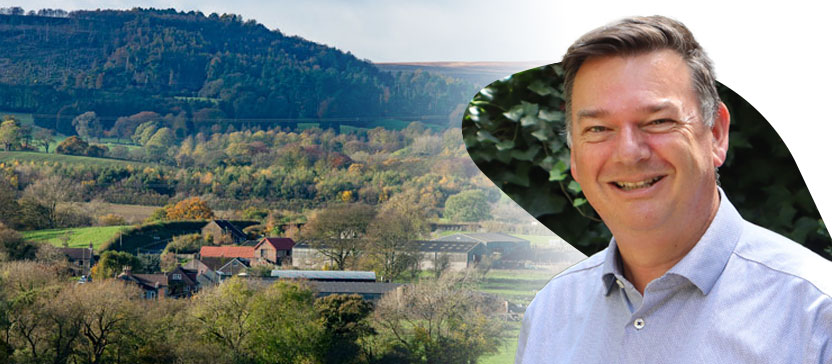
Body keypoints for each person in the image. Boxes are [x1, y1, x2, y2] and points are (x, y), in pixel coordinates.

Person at [515, 15, 832, 363]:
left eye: (658, 122)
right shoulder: (550, 313)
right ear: (574, 155)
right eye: (599, 128)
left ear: (716, 134)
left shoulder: (814, 315)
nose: (629, 153)